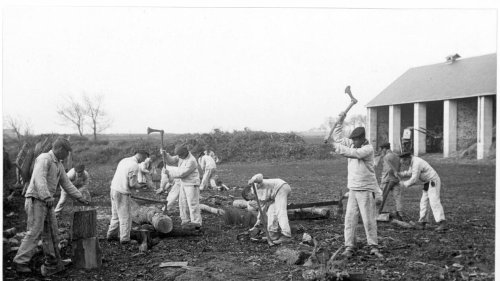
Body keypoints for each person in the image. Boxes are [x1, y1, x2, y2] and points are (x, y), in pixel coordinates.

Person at [13, 138, 89, 274]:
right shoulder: (44, 158)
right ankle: (20, 262)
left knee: (52, 232)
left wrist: (80, 197)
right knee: (34, 232)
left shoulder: (58, 164)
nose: (67, 156)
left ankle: (53, 261)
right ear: (60, 149)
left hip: (46, 202)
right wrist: (46, 196)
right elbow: (39, 178)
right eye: (66, 153)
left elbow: (67, 184)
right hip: (36, 199)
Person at [330, 120, 383, 258]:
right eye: (352, 139)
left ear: (361, 138)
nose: (353, 142)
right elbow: (338, 138)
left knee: (368, 219)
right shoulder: (353, 145)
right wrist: (340, 120)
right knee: (350, 219)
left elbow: (354, 154)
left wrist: (335, 147)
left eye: (355, 139)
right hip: (353, 189)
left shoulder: (367, 149)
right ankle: (349, 246)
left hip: (366, 189)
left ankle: (373, 246)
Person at [106, 150, 149, 244]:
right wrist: (141, 185)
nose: (144, 160)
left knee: (115, 215)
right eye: (145, 158)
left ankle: (111, 235)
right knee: (126, 216)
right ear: (141, 155)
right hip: (122, 192)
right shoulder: (134, 166)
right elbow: (132, 184)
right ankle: (125, 239)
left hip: (114, 189)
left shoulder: (124, 160)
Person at [398, 152, 447, 232]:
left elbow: (414, 179)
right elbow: (410, 172)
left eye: (404, 163)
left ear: (407, 159)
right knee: (423, 203)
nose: (404, 165)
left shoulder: (417, 163)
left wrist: (403, 184)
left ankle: (442, 223)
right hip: (427, 183)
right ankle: (422, 222)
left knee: (434, 202)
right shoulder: (412, 162)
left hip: (432, 181)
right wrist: (401, 174)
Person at [161, 144, 202, 229]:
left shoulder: (191, 160)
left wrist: (169, 172)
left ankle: (196, 223)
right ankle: (185, 221)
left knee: (193, 204)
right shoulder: (181, 156)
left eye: (180, 155)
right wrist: (165, 154)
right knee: (182, 203)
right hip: (184, 183)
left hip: (192, 184)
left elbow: (182, 174)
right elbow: (171, 161)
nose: (179, 157)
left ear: (186, 152)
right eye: (178, 155)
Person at [245, 173, 292, 245]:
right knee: (271, 212)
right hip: (274, 197)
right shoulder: (259, 198)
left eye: (249, 199)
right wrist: (257, 224)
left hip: (281, 187)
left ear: (248, 193)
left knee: (280, 212)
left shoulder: (255, 185)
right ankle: (273, 236)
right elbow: (262, 210)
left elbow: (260, 176)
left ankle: (286, 236)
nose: (251, 200)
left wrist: (253, 179)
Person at [378, 142, 403, 220]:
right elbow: (398, 167)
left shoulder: (386, 157)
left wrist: (383, 179)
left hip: (387, 179)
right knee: (397, 197)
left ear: (385, 149)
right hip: (396, 179)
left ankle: (377, 212)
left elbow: (387, 169)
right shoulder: (397, 156)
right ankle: (400, 214)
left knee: (381, 196)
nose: (381, 151)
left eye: (382, 149)